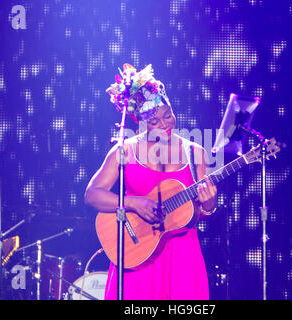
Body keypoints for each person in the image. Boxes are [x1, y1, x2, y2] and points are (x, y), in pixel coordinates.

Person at [84, 64, 217, 300]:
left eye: (168, 115)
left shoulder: (194, 152)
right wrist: (134, 203)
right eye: (155, 121)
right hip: (137, 250)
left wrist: (209, 203)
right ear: (141, 123)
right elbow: (92, 194)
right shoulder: (125, 150)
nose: (165, 124)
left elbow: (202, 211)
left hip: (181, 255)